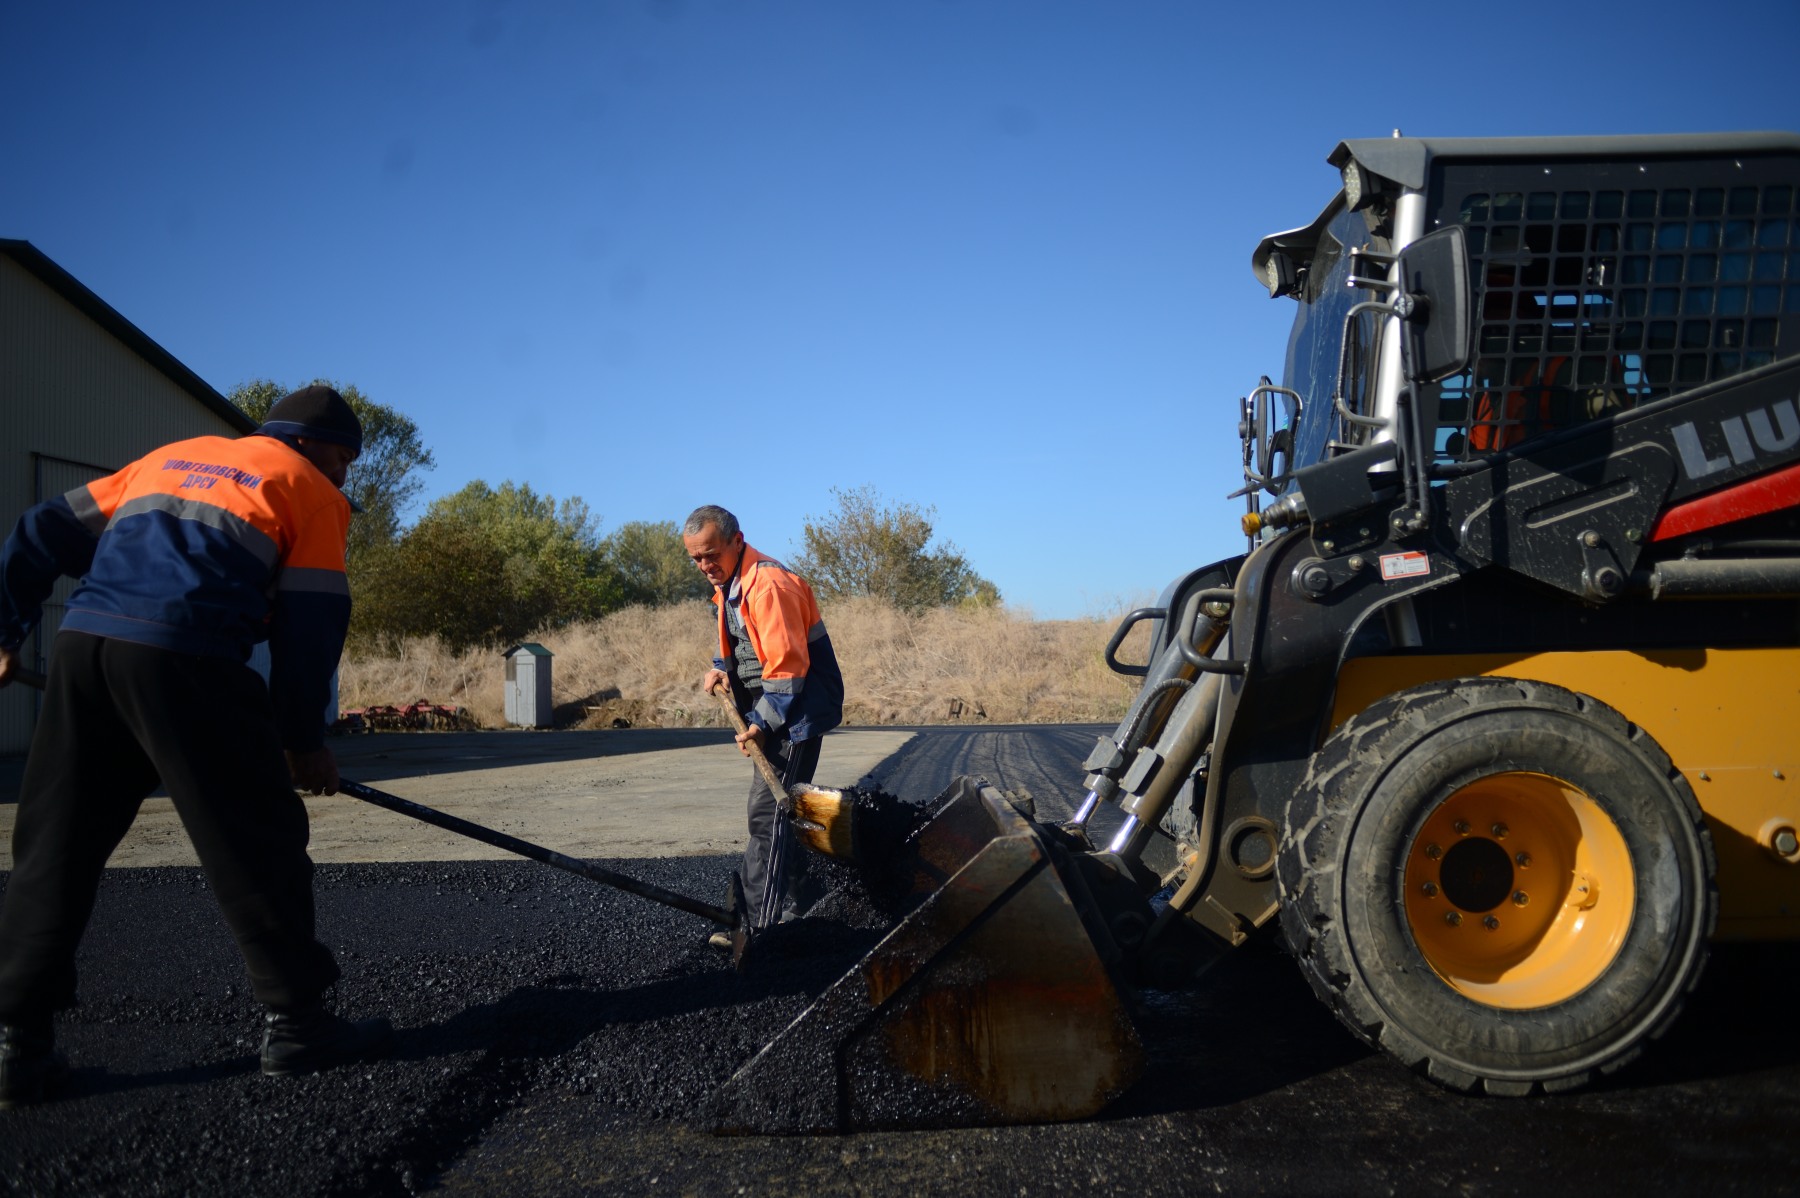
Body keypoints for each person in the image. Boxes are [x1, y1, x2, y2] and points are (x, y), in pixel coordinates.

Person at [0, 385, 392, 1108]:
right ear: (312, 445)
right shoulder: (308, 489)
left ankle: (16, 1047)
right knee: (255, 838)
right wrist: (302, 742)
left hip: (86, 648)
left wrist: (2, 630)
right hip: (188, 654)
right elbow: (310, 627)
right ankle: (301, 1023)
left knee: (55, 843)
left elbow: (40, 530)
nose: (344, 476)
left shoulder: (169, 459)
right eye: (344, 458)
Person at [682, 505, 843, 945]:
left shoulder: (767, 585)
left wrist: (761, 725)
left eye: (710, 554)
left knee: (767, 812)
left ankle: (756, 925)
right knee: (779, 811)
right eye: (696, 558)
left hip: (796, 711)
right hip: (772, 706)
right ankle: (810, 899)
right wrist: (721, 669)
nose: (704, 566)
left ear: (738, 541)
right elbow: (740, 642)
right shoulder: (730, 583)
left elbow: (788, 673)